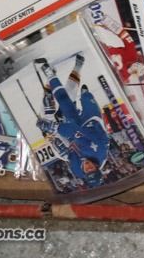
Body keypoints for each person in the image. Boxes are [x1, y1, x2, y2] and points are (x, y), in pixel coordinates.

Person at [34, 56, 109, 188]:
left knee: (65, 100)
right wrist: (54, 128)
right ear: (97, 167)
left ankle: (51, 74)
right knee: (85, 97)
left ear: (84, 174)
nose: (88, 167)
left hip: (76, 133)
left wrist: (59, 145)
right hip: (92, 124)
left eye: (87, 171)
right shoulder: (100, 150)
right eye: (92, 169)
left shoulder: (78, 170)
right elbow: (77, 131)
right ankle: (84, 93)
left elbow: (68, 154)